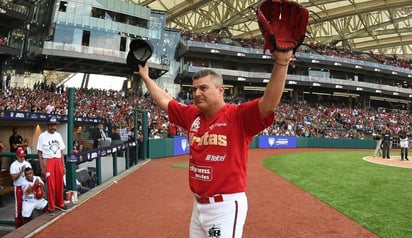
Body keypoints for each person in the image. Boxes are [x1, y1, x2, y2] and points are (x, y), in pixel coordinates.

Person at [135, 48, 292, 237]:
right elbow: (165, 100)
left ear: (220, 91)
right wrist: (145, 76)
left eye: (203, 88)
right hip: (198, 206)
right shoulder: (192, 115)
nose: (197, 93)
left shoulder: (238, 116)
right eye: (194, 89)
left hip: (225, 207)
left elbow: (268, 103)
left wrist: (282, 63)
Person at [37, 115, 67, 215]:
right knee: (50, 185)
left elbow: (61, 151)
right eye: (51, 125)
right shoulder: (42, 136)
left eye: (54, 125)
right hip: (48, 161)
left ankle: (60, 203)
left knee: (60, 183)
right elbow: (39, 153)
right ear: (48, 125)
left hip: (58, 160)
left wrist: (63, 165)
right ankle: (51, 206)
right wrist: (42, 167)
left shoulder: (58, 135)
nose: (53, 127)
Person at [9, 147, 32, 228]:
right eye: (20, 156)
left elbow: (31, 175)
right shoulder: (14, 165)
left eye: (23, 156)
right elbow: (13, 178)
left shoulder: (27, 163)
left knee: (28, 205)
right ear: (17, 156)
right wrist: (21, 171)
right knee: (18, 207)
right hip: (18, 187)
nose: (22, 158)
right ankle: (18, 226)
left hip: (27, 186)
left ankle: (27, 225)